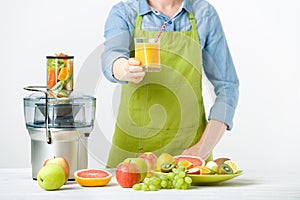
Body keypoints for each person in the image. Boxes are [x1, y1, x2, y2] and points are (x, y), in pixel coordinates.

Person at [101, 0, 239, 168]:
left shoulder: (204, 14)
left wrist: (201, 149)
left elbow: (227, 86)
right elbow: (112, 54)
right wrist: (122, 68)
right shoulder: (125, 12)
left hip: (190, 154)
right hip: (132, 155)